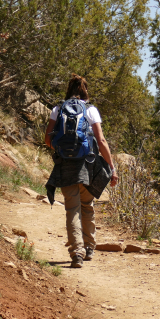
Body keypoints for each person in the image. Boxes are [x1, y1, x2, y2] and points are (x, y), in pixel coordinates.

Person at [44, 74, 118, 268]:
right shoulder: (91, 110)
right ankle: (89, 247)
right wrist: (111, 166)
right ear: (85, 90)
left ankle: (76, 253)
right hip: (88, 164)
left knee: (72, 209)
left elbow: (47, 139)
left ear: (68, 90)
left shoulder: (58, 109)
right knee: (87, 205)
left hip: (65, 165)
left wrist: (63, 152)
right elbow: (101, 141)